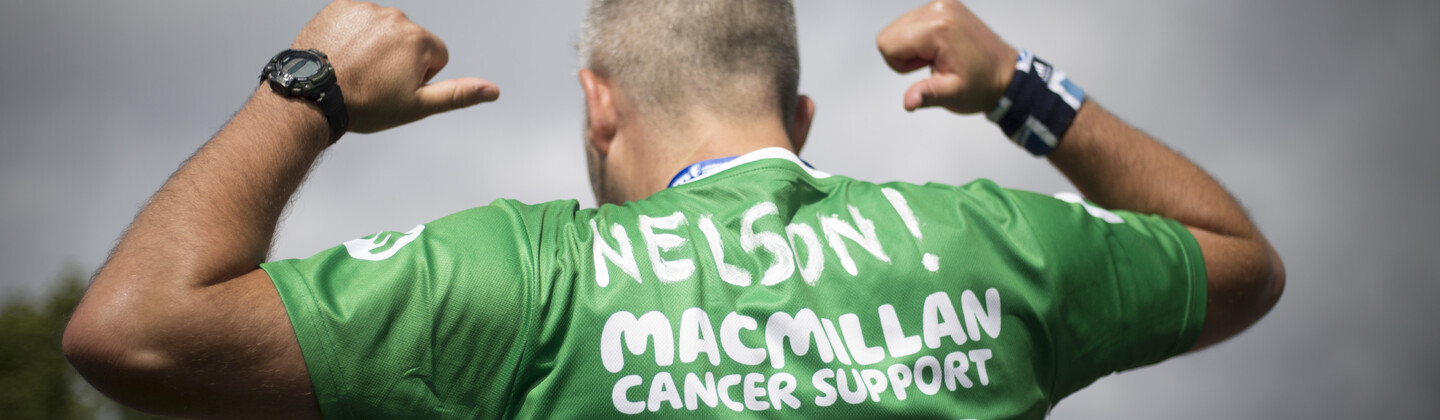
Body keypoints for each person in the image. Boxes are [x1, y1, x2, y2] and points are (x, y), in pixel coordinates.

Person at [62, 0, 1285, 418]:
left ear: (599, 107)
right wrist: (1024, 86)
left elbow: (137, 330)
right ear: (798, 119)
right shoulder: (996, 247)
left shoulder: (521, 278)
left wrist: (305, 88)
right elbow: (1240, 259)